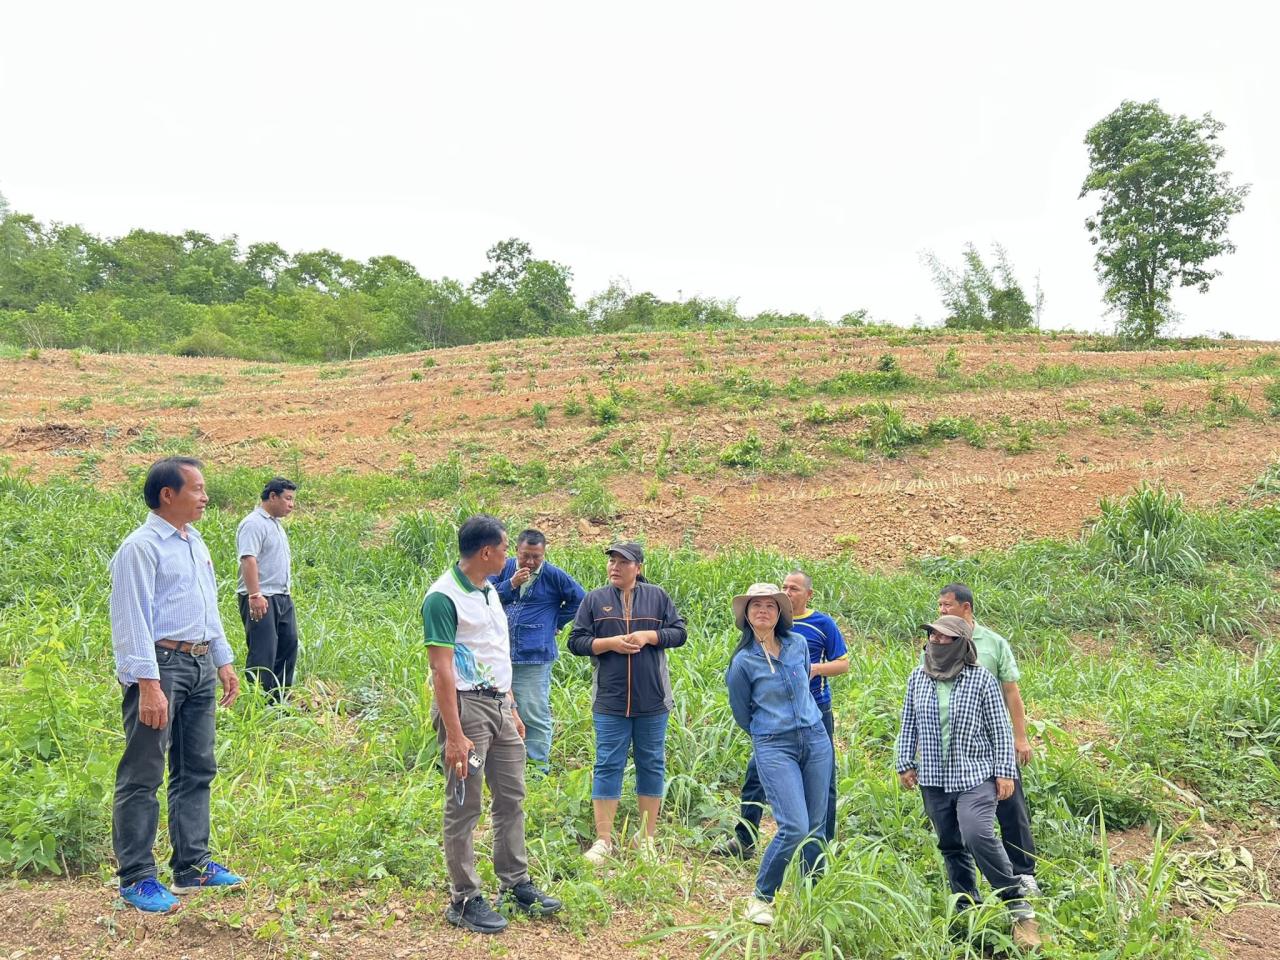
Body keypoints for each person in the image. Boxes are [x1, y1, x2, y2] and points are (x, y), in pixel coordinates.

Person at [108, 456, 244, 913]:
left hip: (200, 662)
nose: (206, 497)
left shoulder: (194, 541)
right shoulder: (141, 548)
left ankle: (192, 865)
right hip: (161, 665)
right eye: (198, 489)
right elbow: (131, 620)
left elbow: (209, 607)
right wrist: (148, 683)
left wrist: (223, 661)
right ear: (168, 495)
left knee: (196, 767)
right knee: (143, 772)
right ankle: (137, 877)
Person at [422, 514, 561, 935]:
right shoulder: (443, 598)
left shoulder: (487, 592)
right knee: (465, 803)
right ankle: (464, 897)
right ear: (486, 552)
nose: (510, 556)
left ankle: (515, 882)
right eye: (505, 548)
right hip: (467, 707)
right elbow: (442, 670)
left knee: (512, 797)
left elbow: (495, 652)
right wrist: (455, 734)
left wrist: (513, 706)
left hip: (499, 705)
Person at [896, 615, 1041, 949]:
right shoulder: (918, 678)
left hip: (974, 774)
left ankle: (1017, 904)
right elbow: (909, 722)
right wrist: (904, 761)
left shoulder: (981, 680)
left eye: (946, 638)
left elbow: (1000, 728)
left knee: (977, 834)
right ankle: (966, 908)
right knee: (950, 844)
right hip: (933, 776)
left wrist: (1005, 771)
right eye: (933, 636)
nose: (937, 642)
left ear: (962, 644)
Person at [715, 570, 848, 859]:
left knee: (824, 786)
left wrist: (812, 670)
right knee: (755, 775)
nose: (788, 592)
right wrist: (764, 730)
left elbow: (843, 663)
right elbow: (741, 705)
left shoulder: (819, 625)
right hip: (773, 723)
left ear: (808, 595)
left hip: (815, 711)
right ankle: (746, 839)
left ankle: (819, 850)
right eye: (785, 587)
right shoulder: (754, 645)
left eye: (795, 589)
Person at [568, 542, 687, 865]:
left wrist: (651, 636)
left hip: (653, 699)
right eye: (611, 561)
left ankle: (646, 839)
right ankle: (604, 840)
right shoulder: (594, 600)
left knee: (651, 763)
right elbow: (575, 642)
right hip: (610, 699)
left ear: (639, 567)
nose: (614, 567)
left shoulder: (658, 597)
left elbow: (679, 633)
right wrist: (609, 644)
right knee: (607, 763)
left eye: (623, 562)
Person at [726, 583, 833, 927]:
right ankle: (761, 896)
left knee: (816, 826)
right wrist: (768, 732)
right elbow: (742, 712)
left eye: (770, 606)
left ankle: (810, 895)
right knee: (794, 825)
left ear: (780, 614)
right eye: (755, 606)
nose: (763, 611)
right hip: (774, 744)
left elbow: (806, 684)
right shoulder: (743, 662)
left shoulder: (797, 645)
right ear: (746, 615)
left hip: (815, 738)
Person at [937, 582, 1040, 894]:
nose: (941, 611)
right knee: (959, 816)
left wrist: (1020, 738)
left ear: (966, 608)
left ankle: (1023, 872)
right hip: (957, 745)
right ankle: (967, 882)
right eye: (939, 605)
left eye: (947, 605)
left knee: (1010, 805)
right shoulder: (937, 641)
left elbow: (1011, 691)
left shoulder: (993, 643)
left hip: (993, 739)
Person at [490, 529, 586, 774]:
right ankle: (504, 763)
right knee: (497, 708)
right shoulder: (502, 569)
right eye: (525, 556)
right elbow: (484, 597)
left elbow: (580, 599)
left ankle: (537, 768)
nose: (530, 562)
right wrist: (511, 584)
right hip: (498, 653)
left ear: (544, 554)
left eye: (536, 557)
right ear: (516, 552)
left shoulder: (553, 575)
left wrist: (556, 621)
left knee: (533, 710)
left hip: (534, 654)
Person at [236, 477, 298, 700]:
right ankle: (257, 702)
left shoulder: (275, 524)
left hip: (281, 595)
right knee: (264, 651)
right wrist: (255, 594)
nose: (291, 504)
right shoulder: (254, 523)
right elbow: (248, 559)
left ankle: (277, 701)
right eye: (287, 499)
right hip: (261, 596)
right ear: (273, 496)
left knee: (288, 646)